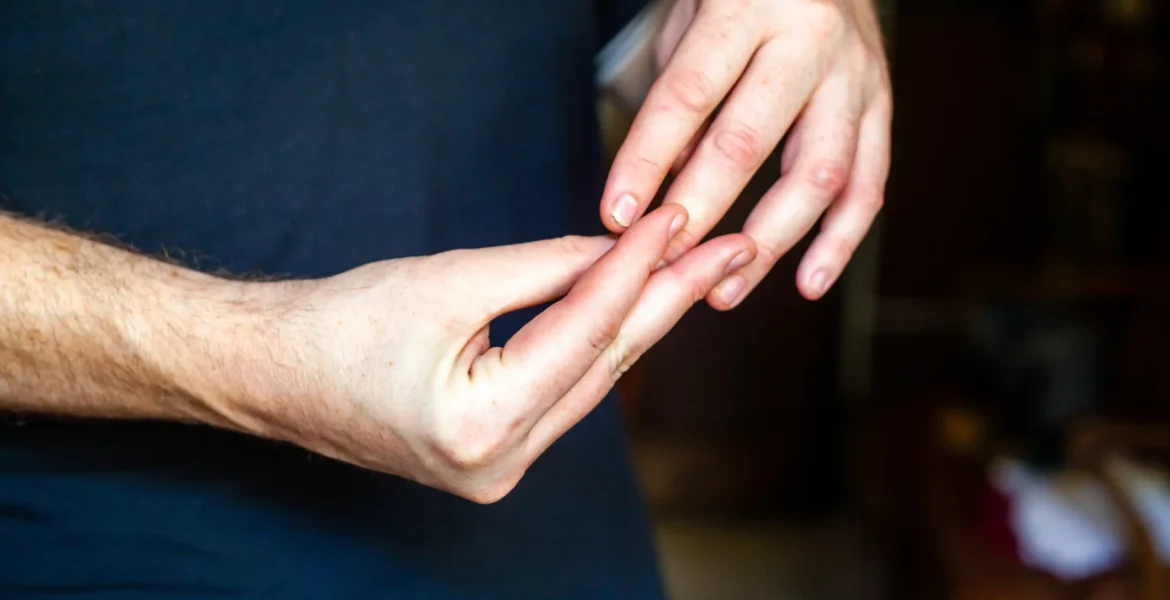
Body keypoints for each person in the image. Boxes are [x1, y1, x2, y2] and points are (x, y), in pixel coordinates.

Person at [0, 0, 891, 597]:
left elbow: (650, 40)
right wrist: (265, 359)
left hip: (566, 549)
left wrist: (797, 33)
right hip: (117, 556)